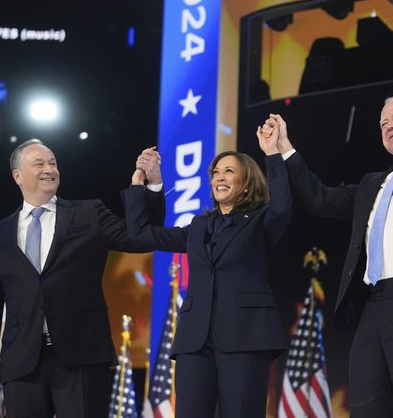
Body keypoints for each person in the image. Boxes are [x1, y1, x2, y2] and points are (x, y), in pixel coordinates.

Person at [262, 41, 393, 417]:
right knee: (367, 407)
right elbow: (319, 199)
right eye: (382, 123)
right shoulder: (371, 183)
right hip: (373, 304)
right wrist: (284, 149)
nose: (388, 125)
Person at [0, 139, 165, 417]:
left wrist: (151, 186)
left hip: (82, 357)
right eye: (39, 163)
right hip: (23, 364)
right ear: (17, 176)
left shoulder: (88, 214)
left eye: (53, 163)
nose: (49, 168)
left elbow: (142, 237)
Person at [121, 125, 292, 417]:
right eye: (215, 173)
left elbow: (283, 207)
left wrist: (272, 153)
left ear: (247, 182)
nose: (219, 177)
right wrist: (144, 183)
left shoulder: (262, 221)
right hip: (195, 342)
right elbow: (139, 235)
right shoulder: (198, 227)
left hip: (245, 338)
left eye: (228, 171)